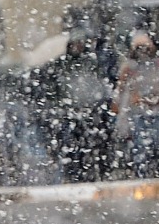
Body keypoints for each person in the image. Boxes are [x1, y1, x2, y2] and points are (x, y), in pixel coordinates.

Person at [32, 32, 113, 182]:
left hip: (86, 113)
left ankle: (86, 173)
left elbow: (97, 85)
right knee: (70, 146)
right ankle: (73, 174)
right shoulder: (61, 65)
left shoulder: (89, 63)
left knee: (87, 146)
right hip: (69, 114)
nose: (78, 47)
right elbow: (54, 88)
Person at [113, 30, 159, 178]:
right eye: (139, 48)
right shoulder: (129, 68)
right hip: (139, 114)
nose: (143, 52)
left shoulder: (158, 66)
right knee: (141, 149)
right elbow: (122, 92)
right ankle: (143, 175)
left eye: (145, 48)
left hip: (157, 112)